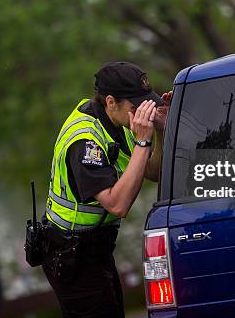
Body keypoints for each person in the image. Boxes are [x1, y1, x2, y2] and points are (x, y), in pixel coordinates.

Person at [42, 61, 171, 318]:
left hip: (95, 250)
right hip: (71, 256)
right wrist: (143, 142)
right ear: (111, 101)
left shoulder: (119, 122)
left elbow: (153, 173)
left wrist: (160, 130)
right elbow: (118, 204)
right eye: (136, 106)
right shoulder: (86, 142)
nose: (142, 113)